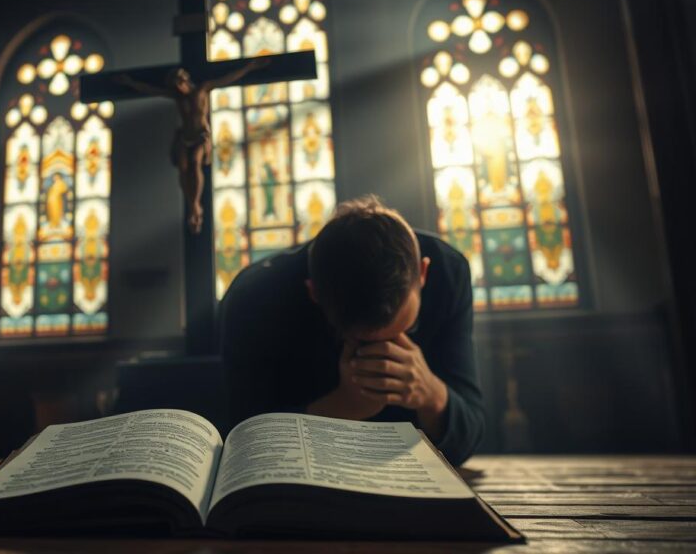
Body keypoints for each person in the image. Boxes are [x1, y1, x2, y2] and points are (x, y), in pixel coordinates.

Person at [219, 195, 485, 466]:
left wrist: (431, 394)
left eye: (404, 332)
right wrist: (340, 407)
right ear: (313, 293)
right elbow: (245, 439)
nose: (383, 354)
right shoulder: (256, 298)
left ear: (423, 274)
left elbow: (470, 436)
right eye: (359, 341)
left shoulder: (449, 274)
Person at [114, 58, 269, 234]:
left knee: (195, 163)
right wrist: (130, 82)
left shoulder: (202, 90)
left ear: (185, 80)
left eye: (179, 84)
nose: (178, 88)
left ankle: (195, 204)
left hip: (201, 136)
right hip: (185, 136)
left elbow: (228, 78)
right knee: (182, 167)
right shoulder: (177, 97)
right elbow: (151, 90)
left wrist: (248, 67)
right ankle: (192, 206)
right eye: (174, 86)